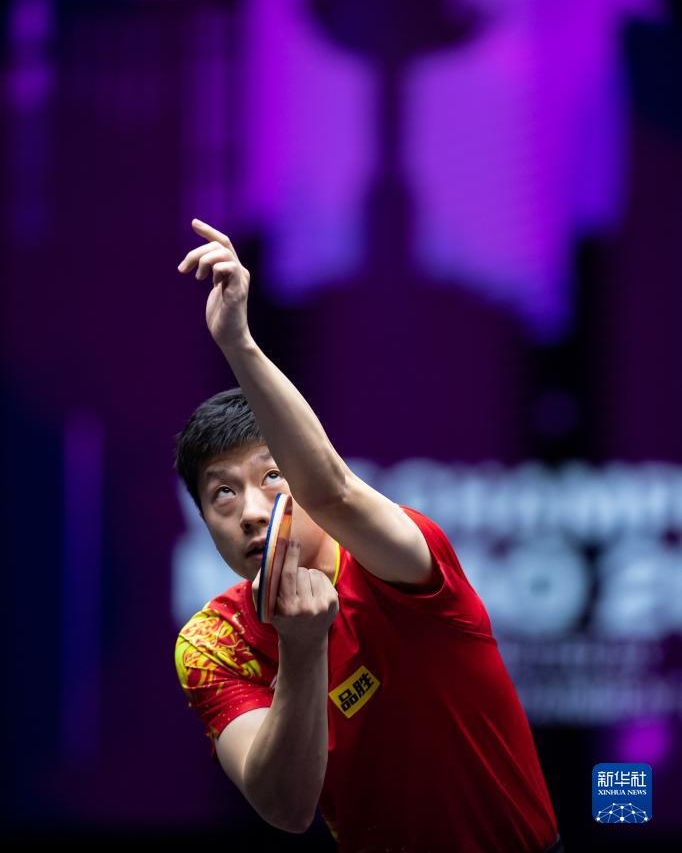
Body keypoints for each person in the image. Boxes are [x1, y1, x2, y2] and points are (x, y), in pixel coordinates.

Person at [173, 217, 562, 853]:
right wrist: (302, 650)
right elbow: (285, 807)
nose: (251, 512)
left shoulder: (400, 557)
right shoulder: (214, 643)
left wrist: (238, 343)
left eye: (272, 476)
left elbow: (334, 493)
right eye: (222, 493)